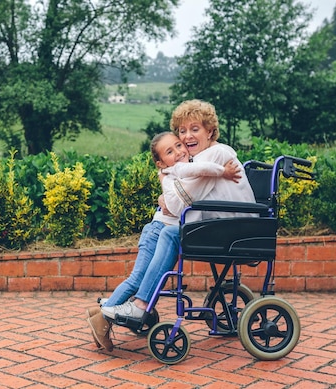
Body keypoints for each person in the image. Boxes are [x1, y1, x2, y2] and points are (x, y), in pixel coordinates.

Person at [100, 99, 256, 328]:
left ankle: (141, 305)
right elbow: (178, 199)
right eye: (182, 131)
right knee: (167, 231)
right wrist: (167, 195)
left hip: (234, 230)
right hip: (225, 226)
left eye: (195, 129)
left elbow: (177, 204)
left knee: (171, 234)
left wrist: (164, 182)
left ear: (210, 131)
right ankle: (131, 303)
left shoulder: (214, 155)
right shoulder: (201, 157)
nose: (187, 137)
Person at [86, 130, 241, 351]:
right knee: (136, 279)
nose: (178, 152)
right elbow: (197, 175)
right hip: (158, 230)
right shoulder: (173, 173)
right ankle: (103, 318)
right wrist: (223, 172)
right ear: (160, 163)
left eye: (179, 146)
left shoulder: (179, 170)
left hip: (160, 228)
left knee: (137, 279)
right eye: (170, 151)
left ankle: (101, 312)